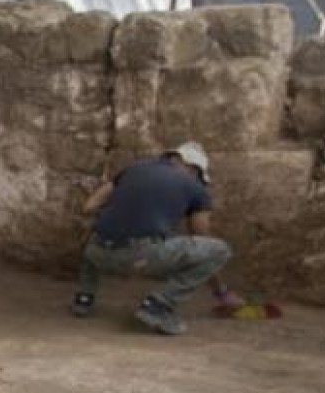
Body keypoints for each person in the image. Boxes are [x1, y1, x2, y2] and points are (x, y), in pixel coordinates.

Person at [69, 141, 231, 336]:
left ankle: (84, 299)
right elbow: (202, 238)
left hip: (97, 254)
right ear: (191, 167)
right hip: (139, 258)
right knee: (219, 249)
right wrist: (221, 292)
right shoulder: (195, 188)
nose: (196, 179)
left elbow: (89, 206)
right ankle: (158, 306)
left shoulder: (133, 169)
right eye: (198, 175)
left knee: (97, 233)